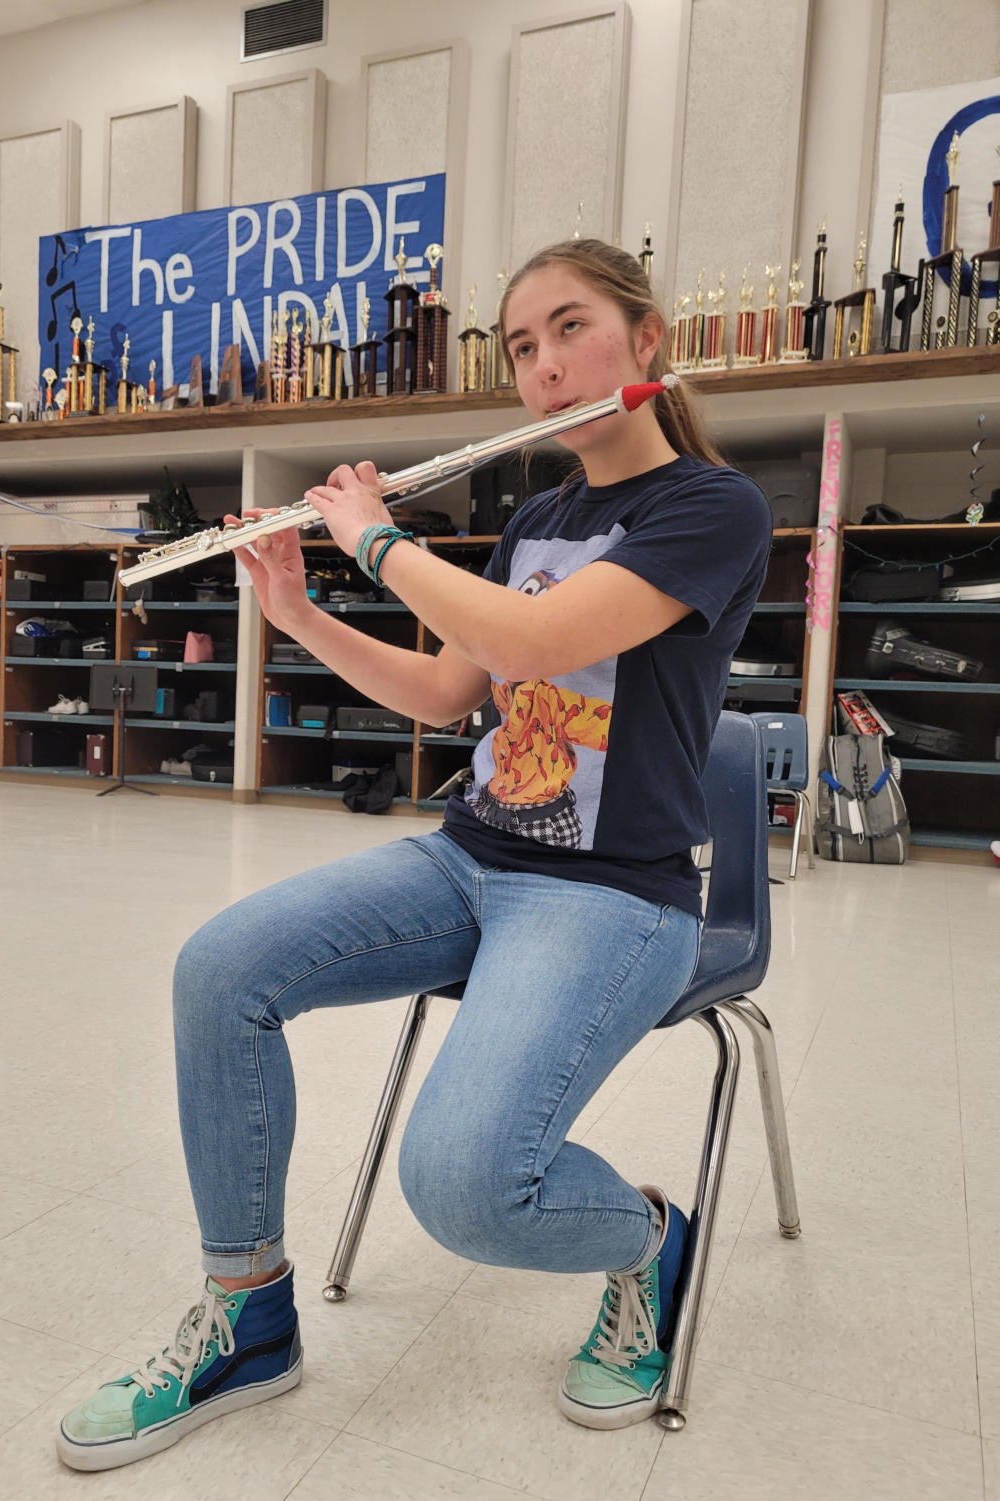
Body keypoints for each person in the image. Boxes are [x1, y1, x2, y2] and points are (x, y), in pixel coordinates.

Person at [57, 238, 772, 1470]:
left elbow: (540, 642)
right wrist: (299, 609)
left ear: (645, 343)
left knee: (465, 1185)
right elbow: (453, 691)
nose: (544, 369)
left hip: (615, 896)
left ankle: (649, 1235)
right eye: (521, 347)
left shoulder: (711, 509)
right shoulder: (541, 515)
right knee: (219, 971)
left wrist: (380, 541)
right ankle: (250, 1317)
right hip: (470, 858)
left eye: (569, 330)